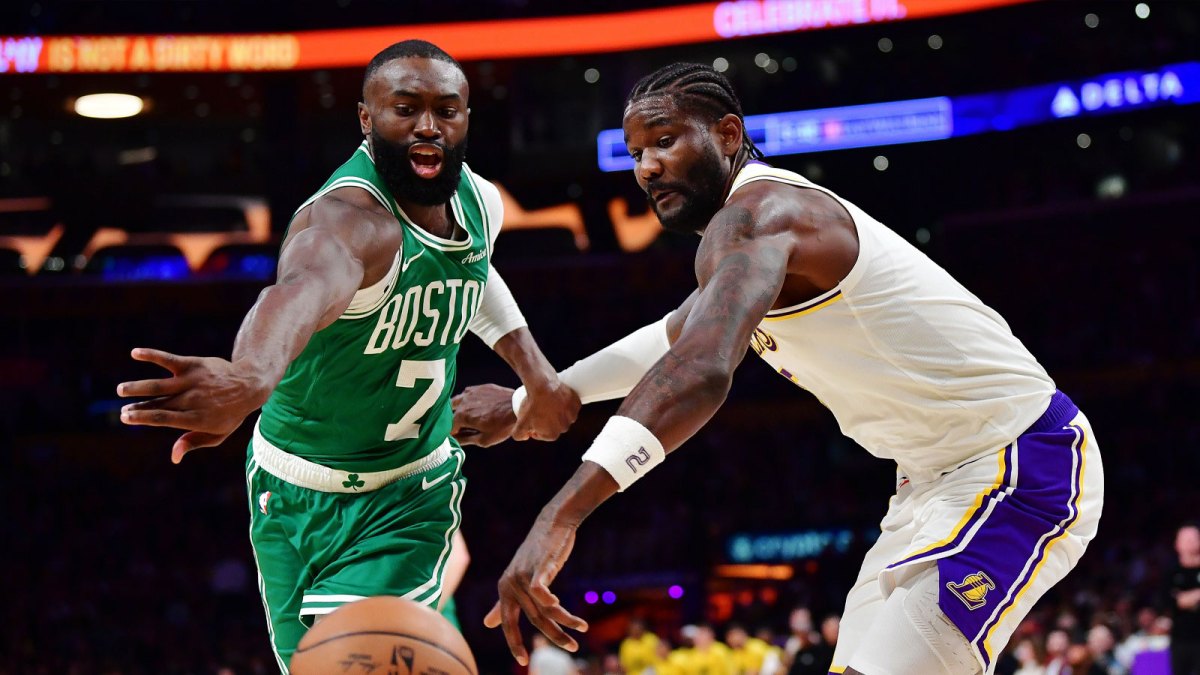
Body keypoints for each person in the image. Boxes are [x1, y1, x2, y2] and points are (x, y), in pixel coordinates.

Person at [459, 62, 1105, 675]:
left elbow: (700, 367)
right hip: (930, 485)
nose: (647, 167)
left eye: (663, 141)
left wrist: (562, 512)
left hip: (1019, 461)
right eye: (635, 153)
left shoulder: (761, 215)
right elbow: (668, 339)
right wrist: (529, 401)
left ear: (727, 134)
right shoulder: (742, 250)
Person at [116, 39, 579, 670]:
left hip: (409, 489)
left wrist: (535, 373)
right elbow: (297, 293)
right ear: (366, 119)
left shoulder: (481, 203)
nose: (428, 126)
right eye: (405, 108)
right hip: (288, 488)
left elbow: (474, 272)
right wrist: (252, 375)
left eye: (448, 110)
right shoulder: (346, 223)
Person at [1167, 524, 1200, 674]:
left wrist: (1186, 598)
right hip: (1181, 640)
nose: (1190, 542)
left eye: (1194, 538)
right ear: (1177, 544)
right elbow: (1172, 602)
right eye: (1186, 539)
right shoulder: (1171, 572)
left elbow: (1181, 600)